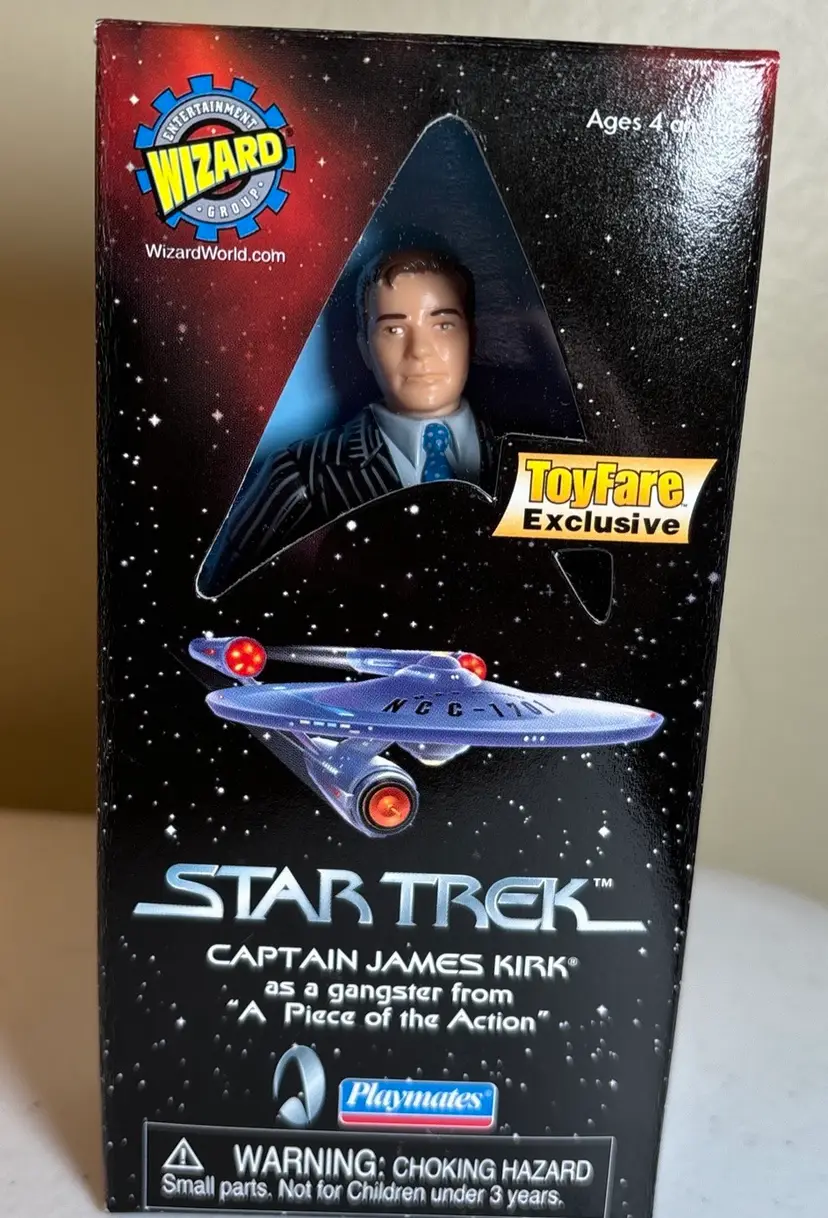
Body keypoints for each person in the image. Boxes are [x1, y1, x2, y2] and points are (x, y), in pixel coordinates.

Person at [200, 248, 495, 594]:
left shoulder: (523, 460)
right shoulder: (301, 475)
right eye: (394, 329)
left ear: (472, 337)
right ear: (365, 347)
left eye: (443, 325)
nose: (420, 351)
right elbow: (219, 596)